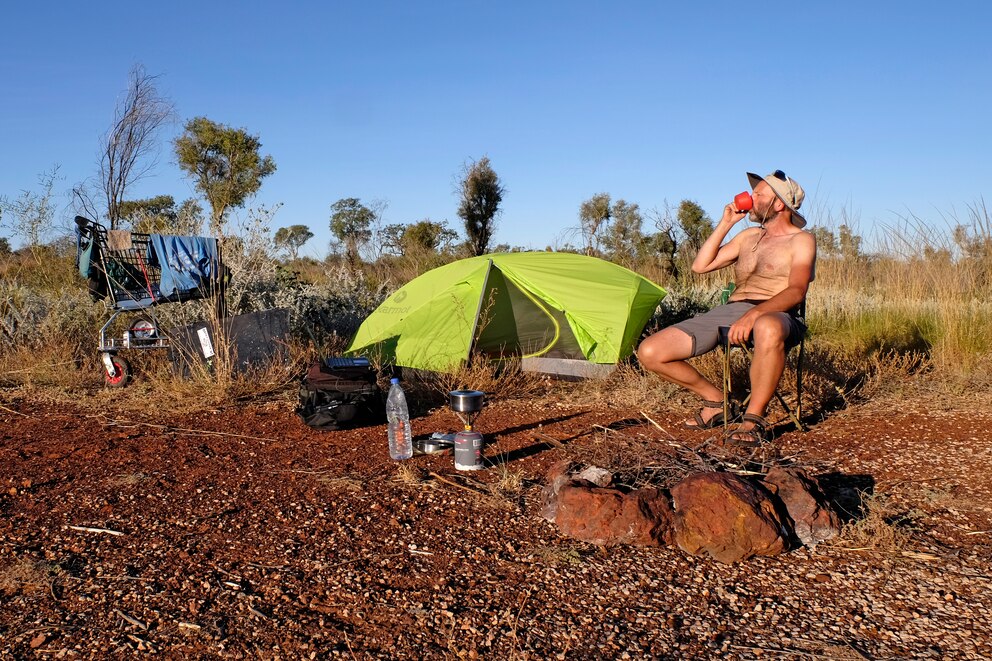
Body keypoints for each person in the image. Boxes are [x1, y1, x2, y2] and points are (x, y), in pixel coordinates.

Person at [637, 170, 816, 446]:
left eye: (759, 194)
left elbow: (796, 290)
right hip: (732, 309)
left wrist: (755, 314)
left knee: (767, 325)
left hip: (778, 313)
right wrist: (725, 224)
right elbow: (700, 266)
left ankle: (752, 419)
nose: (751, 197)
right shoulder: (748, 238)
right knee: (650, 351)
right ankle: (717, 401)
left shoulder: (801, 240)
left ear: (779, 204)